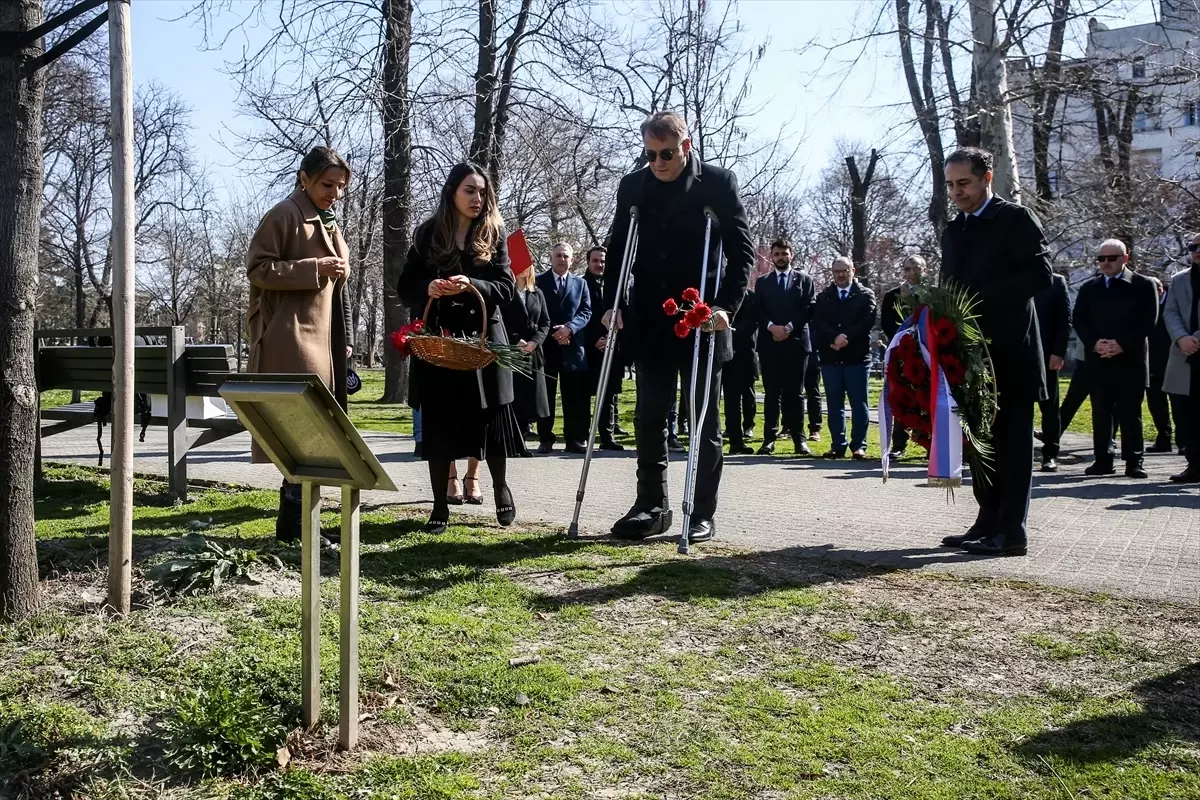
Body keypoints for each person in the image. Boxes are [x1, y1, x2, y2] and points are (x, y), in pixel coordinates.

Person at [601, 110, 754, 543]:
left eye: (666, 154)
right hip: (651, 319)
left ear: (686, 146)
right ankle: (651, 505)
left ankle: (701, 511)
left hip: (702, 318)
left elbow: (741, 253)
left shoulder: (718, 183)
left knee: (702, 417)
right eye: (650, 155)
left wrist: (726, 307)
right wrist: (612, 304)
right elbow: (618, 249)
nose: (658, 163)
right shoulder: (633, 186)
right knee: (649, 415)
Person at [939, 147, 1052, 557]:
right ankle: (986, 521)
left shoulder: (1016, 219)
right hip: (970, 358)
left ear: (987, 178)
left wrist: (978, 303)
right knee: (980, 443)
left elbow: (1040, 275)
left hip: (1011, 354)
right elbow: (949, 287)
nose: (957, 192)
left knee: (1012, 444)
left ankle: (1012, 531)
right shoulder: (954, 230)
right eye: (951, 185)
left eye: (964, 183)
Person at [397, 161, 520, 533]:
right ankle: (439, 506)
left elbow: (506, 288)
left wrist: (473, 284)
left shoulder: (495, 234)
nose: (477, 198)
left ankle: (500, 487)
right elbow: (405, 286)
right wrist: (428, 288)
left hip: (484, 343)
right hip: (441, 344)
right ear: (452, 192)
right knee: (439, 425)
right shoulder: (427, 233)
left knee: (491, 422)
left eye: (482, 192)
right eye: (470, 190)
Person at [246, 146, 353, 547]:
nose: (335, 194)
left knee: (317, 436)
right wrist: (314, 268)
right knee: (304, 434)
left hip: (325, 338)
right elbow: (258, 269)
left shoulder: (329, 221)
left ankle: (297, 526)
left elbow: (336, 283)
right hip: (292, 339)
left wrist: (346, 335)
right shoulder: (284, 214)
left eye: (340, 186)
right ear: (304, 179)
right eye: (327, 185)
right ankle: (297, 526)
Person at [1073, 239, 1159, 479]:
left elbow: (1149, 320)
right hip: (1098, 359)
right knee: (1101, 412)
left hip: (1130, 360)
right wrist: (1095, 343)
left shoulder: (1143, 285)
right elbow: (1079, 320)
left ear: (1125, 258)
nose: (1106, 263)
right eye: (1101, 259)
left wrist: (1121, 344)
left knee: (1130, 412)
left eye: (1112, 258)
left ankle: (1134, 461)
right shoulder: (1090, 288)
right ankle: (1103, 460)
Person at [754, 237, 816, 456]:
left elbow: (809, 308)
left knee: (795, 394)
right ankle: (769, 440)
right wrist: (772, 327)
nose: (781, 257)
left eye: (784, 253)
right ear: (771, 256)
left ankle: (800, 440)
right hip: (770, 344)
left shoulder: (805, 280)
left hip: (796, 343)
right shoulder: (763, 282)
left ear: (792, 255)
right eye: (777, 254)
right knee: (772, 393)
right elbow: (758, 309)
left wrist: (789, 327)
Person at [811, 256, 876, 460]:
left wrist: (846, 337)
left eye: (844, 271)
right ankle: (838, 445)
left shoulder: (865, 295)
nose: (840, 275)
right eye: (836, 271)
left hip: (857, 358)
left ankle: (858, 446)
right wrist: (833, 339)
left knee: (859, 404)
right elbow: (819, 322)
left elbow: (867, 321)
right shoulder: (824, 297)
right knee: (834, 404)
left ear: (852, 271)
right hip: (831, 358)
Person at [536, 243, 592, 454]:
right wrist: (555, 331)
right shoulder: (539, 281)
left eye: (565, 256)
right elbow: (535, 310)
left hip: (573, 346)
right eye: (558, 255)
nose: (562, 259)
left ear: (572, 259)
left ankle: (574, 439)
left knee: (573, 397)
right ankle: (545, 438)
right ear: (551, 258)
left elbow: (586, 311)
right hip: (547, 346)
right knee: (546, 396)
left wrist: (569, 328)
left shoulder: (581, 283)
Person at [501, 266, 551, 457]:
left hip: (533, 353)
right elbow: (500, 320)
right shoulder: (506, 292)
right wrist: (515, 340)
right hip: (511, 352)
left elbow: (545, 322)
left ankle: (521, 442)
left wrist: (535, 341)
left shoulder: (537, 293)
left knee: (529, 400)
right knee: (514, 399)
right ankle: (512, 443)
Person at [879, 255, 925, 458]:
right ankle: (899, 444)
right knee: (901, 396)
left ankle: (928, 443)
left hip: (926, 353)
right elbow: (887, 323)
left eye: (916, 268)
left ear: (924, 270)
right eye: (907, 269)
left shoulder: (933, 295)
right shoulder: (893, 296)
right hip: (901, 353)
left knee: (927, 397)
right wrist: (903, 339)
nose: (912, 272)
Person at [1164, 232, 1200, 482]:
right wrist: (1181, 338)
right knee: (1186, 413)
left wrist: (1196, 337)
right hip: (1184, 353)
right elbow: (1170, 311)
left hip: (1195, 344)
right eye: (1193, 247)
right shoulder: (1179, 279)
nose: (1196, 250)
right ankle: (1194, 465)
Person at [582, 245, 625, 451]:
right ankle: (582, 436)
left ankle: (607, 436)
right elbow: (583, 315)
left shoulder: (615, 286)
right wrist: (595, 340)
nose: (599, 265)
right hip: (588, 349)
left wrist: (610, 339)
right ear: (588, 262)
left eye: (603, 261)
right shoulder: (581, 284)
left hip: (612, 346)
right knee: (584, 395)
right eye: (595, 261)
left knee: (609, 394)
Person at [1033, 269, 1071, 472]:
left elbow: (1064, 320)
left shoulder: (1056, 282)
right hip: (1017, 354)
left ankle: (1050, 454)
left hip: (1047, 356)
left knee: (1049, 407)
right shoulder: (1011, 278)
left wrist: (1058, 352)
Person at [1147, 276, 1186, 453]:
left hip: (1172, 361)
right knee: (1156, 404)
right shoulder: (1146, 307)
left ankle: (1183, 441)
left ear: (1160, 290)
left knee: (1178, 405)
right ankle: (1163, 438)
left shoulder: (1171, 306)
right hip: (1152, 363)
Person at [723, 287, 759, 455]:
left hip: (743, 352)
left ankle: (745, 429)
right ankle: (734, 440)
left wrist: (729, 333)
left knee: (745, 394)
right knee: (731, 400)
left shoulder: (750, 297)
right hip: (725, 353)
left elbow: (751, 323)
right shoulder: (722, 295)